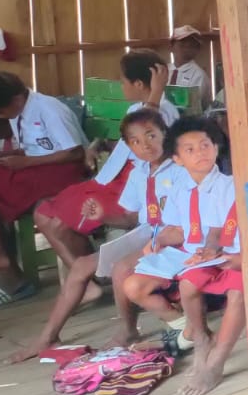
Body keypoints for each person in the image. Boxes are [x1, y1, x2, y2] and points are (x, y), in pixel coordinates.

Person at [11, 108, 173, 363]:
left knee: (121, 268)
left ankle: (128, 330)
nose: (146, 145)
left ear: (166, 133)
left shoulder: (179, 167)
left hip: (173, 236)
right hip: (145, 234)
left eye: (152, 136)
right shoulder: (140, 172)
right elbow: (131, 218)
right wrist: (103, 216)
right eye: (136, 142)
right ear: (129, 147)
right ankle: (48, 337)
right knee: (80, 267)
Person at [117, 115, 246, 395]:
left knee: (236, 291)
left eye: (205, 145)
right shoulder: (180, 189)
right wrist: (160, 240)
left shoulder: (228, 185)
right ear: (176, 158)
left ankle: (215, 362)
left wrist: (211, 249)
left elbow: (218, 229)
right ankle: (199, 338)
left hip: (234, 252)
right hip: (202, 253)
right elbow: (187, 228)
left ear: (216, 147)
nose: (200, 153)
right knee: (185, 284)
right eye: (190, 149)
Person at [0, 72, 87, 306]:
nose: (0, 117)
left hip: (66, 174)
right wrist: (9, 154)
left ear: (15, 100)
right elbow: (35, 149)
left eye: (0, 112)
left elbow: (75, 153)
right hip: (43, 170)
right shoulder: (20, 113)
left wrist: (26, 162)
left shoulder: (49, 109)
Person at [38, 50, 179, 250]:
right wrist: (99, 143)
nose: (121, 86)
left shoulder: (164, 111)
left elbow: (148, 128)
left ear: (138, 84)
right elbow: (128, 145)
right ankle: (89, 278)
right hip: (111, 178)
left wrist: (156, 92)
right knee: (45, 214)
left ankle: (88, 272)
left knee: (60, 225)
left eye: (123, 82)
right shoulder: (135, 108)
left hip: (129, 184)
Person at [169, 25, 210, 96]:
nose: (187, 48)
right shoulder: (162, 71)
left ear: (198, 49)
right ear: (171, 47)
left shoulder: (199, 76)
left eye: (192, 45)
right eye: (182, 44)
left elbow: (194, 105)